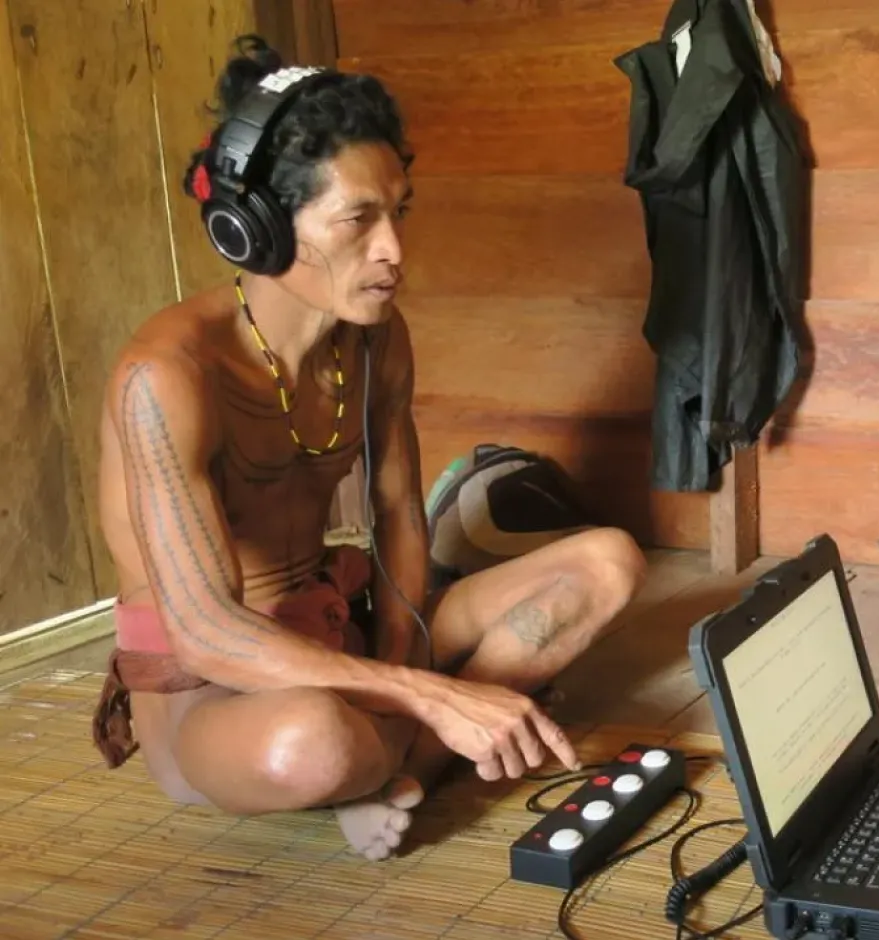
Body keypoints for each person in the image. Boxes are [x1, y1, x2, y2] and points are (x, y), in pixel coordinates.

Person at [89, 36, 646, 862]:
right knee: (312, 743)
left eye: (399, 211)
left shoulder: (375, 341)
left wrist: (398, 660)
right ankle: (417, 749)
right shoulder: (165, 375)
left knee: (607, 562)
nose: (394, 249)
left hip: (335, 630)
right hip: (216, 690)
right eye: (359, 219)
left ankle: (404, 770)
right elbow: (206, 631)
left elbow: (397, 517)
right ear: (259, 230)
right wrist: (430, 691)